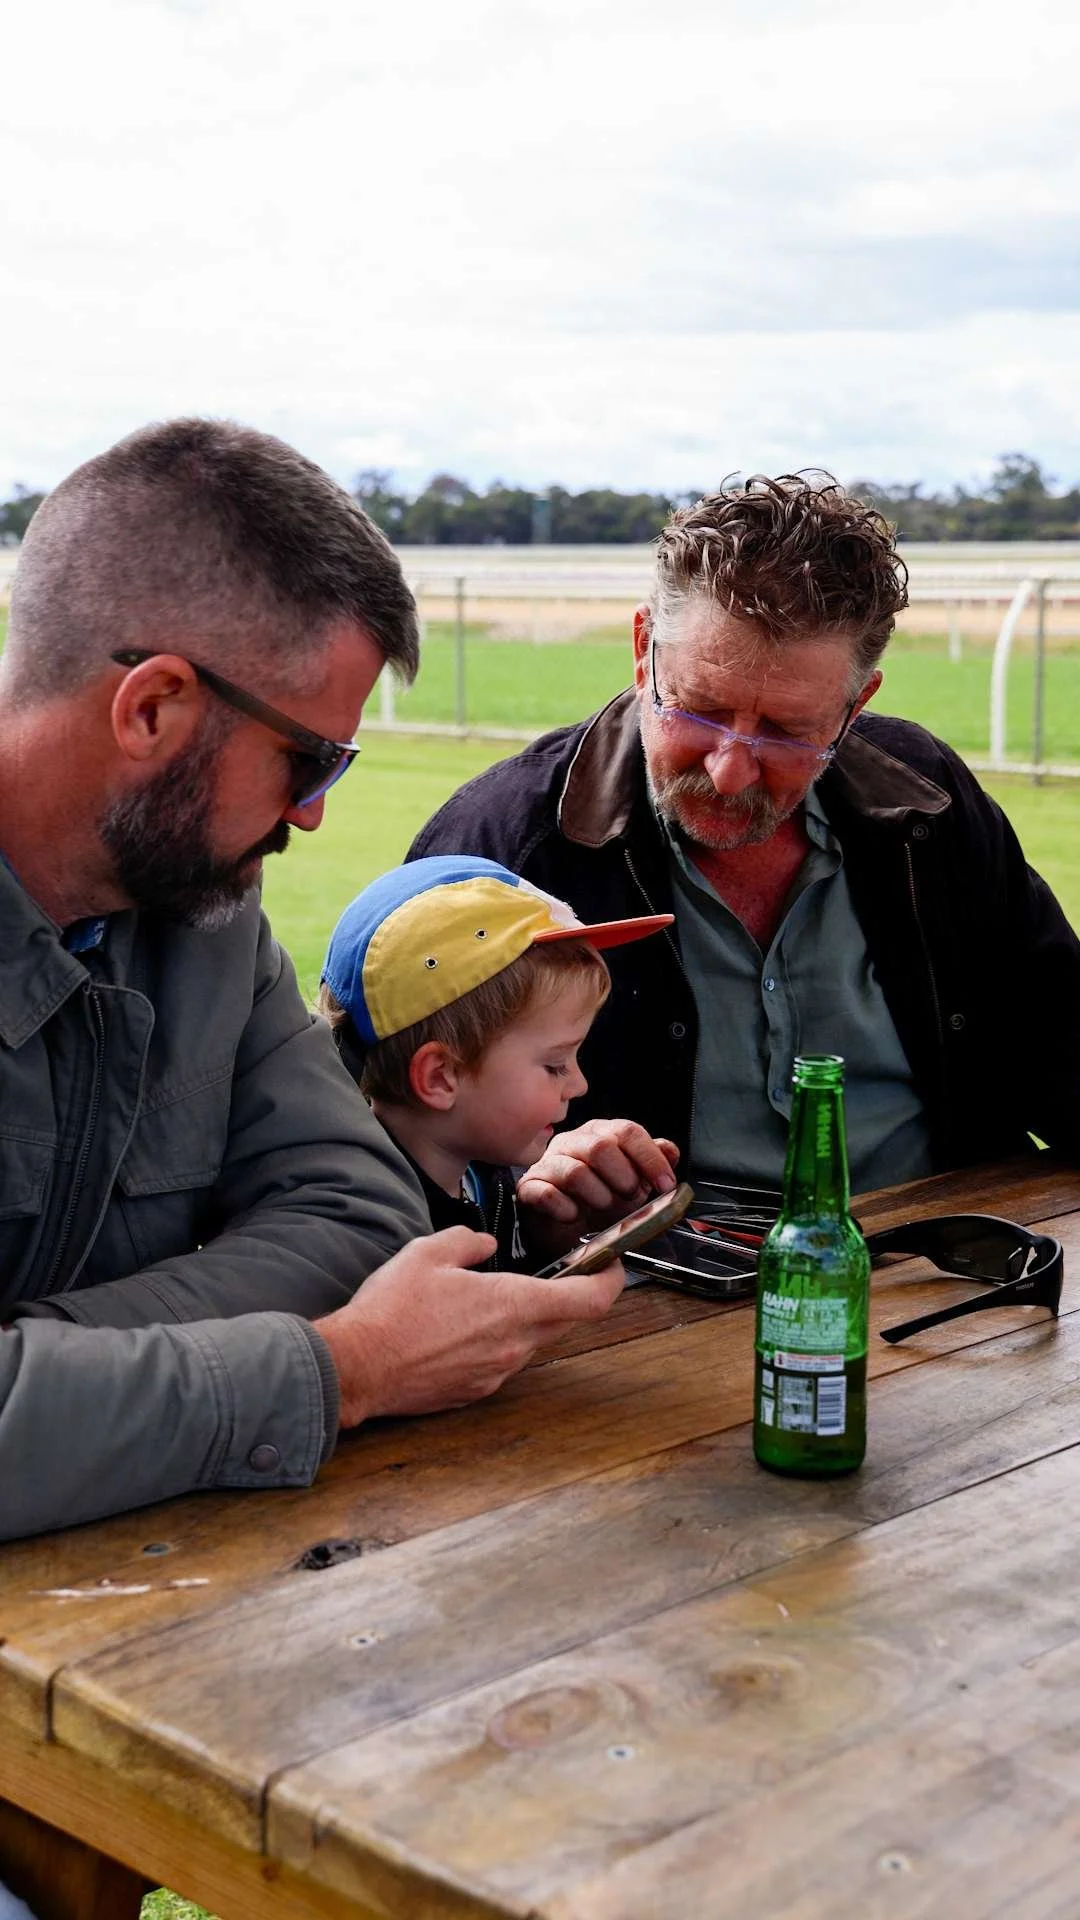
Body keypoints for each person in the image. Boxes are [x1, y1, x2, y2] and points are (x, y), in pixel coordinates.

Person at [0, 419, 628, 1544]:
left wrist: (44, 1374)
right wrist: (339, 1368)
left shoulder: (208, 916)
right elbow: (345, 1303)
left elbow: (353, 1208)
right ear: (153, 708)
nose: (314, 814)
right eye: (309, 758)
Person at [409, 473, 1080, 1196]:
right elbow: (396, 1149)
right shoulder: (497, 848)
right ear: (643, 652)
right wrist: (530, 1202)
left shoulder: (931, 805)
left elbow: (1063, 1047)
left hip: (945, 1266)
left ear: (856, 708)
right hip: (642, 1294)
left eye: (788, 732)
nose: (730, 771)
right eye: (698, 711)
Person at [318, 854, 679, 1266]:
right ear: (441, 1077)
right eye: (555, 1064)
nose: (580, 1085)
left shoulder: (477, 1173)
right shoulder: (379, 1235)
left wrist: (552, 1240)